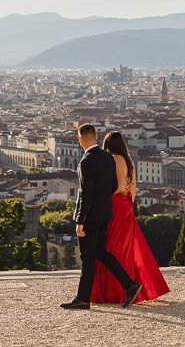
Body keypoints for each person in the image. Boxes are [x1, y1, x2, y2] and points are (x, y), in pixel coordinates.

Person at [60, 124, 142, 310]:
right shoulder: (107, 158)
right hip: (105, 214)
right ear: (96, 136)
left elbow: (86, 194)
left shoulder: (86, 162)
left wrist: (80, 220)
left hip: (91, 217)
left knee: (87, 258)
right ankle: (129, 284)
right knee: (100, 253)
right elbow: (113, 186)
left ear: (80, 139)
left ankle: (82, 299)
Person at [90, 131, 170, 305]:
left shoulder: (111, 159)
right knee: (125, 249)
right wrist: (128, 205)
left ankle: (114, 292)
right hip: (126, 205)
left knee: (108, 248)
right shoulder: (129, 161)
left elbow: (113, 186)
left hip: (114, 205)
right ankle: (126, 287)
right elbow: (132, 188)